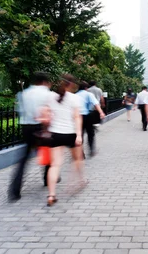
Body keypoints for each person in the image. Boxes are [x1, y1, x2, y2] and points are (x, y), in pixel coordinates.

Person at [9, 72, 55, 201]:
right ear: (45, 82)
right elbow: (51, 112)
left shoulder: (24, 94)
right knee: (47, 150)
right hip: (41, 127)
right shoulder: (49, 94)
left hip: (26, 127)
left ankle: (15, 190)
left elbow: (21, 111)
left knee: (24, 158)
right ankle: (47, 178)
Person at [45, 74, 86, 206]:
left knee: (55, 165)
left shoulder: (50, 96)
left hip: (55, 134)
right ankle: (78, 180)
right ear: (71, 84)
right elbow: (77, 118)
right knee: (77, 159)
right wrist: (79, 135)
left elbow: (47, 115)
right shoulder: (74, 98)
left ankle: (51, 195)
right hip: (71, 133)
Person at [76, 81, 105, 157]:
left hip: (78, 117)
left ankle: (80, 152)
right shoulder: (89, 94)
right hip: (88, 116)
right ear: (86, 88)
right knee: (90, 133)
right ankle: (91, 149)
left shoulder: (75, 95)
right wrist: (101, 112)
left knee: (80, 134)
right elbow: (96, 104)